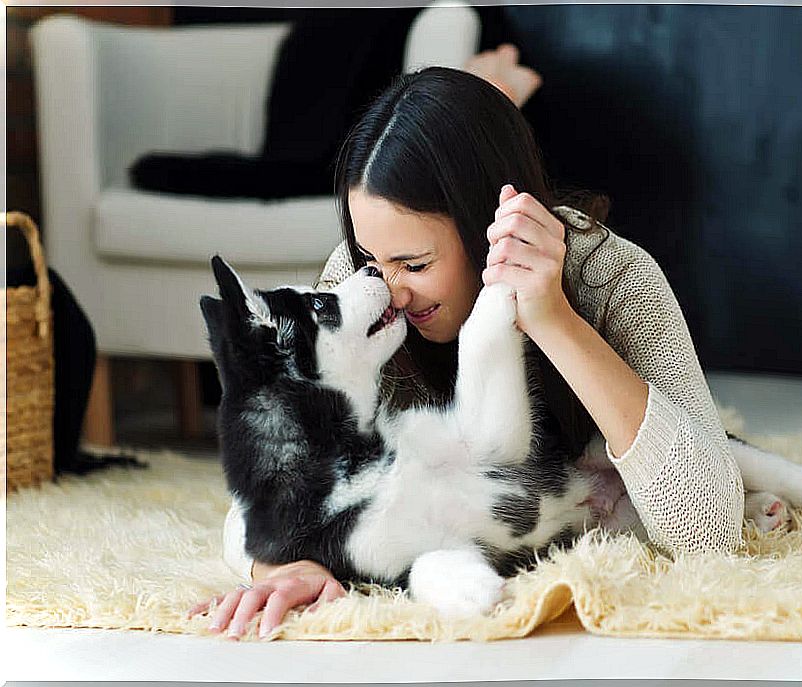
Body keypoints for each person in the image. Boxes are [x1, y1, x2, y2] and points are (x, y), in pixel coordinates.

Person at [191, 45, 744, 640]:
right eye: (369, 257)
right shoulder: (363, 295)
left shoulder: (613, 277)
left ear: (487, 225)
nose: (389, 289)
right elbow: (268, 482)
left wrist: (551, 317)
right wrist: (282, 564)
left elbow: (707, 528)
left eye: (415, 262)